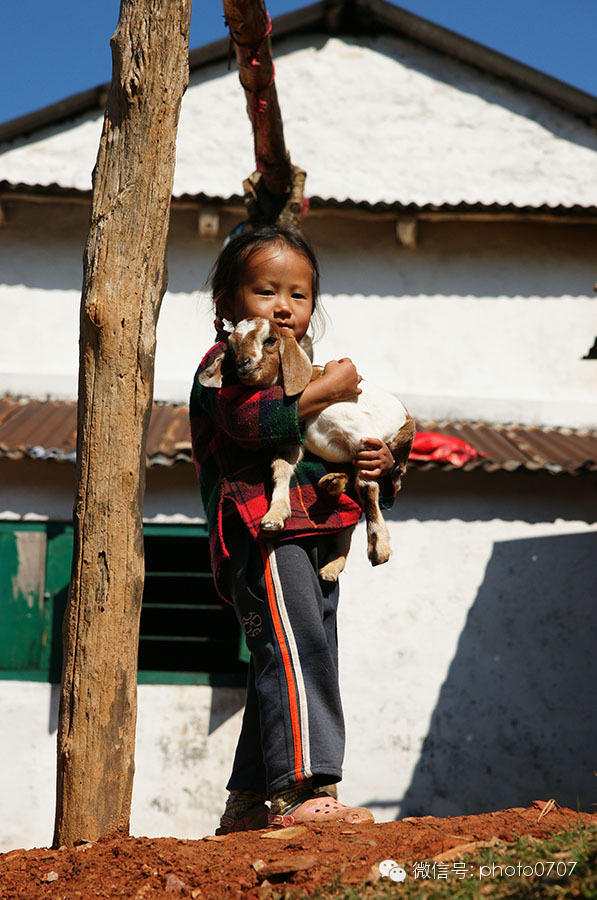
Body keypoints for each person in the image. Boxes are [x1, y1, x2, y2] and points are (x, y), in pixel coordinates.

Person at [190, 225, 396, 833]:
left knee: (296, 654)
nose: (283, 306)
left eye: (298, 295)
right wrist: (320, 390)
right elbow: (249, 422)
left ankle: (251, 796)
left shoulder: (305, 367)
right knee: (297, 651)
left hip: (317, 533)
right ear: (227, 304)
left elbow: (340, 443)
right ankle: (306, 787)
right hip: (264, 535)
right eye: (264, 291)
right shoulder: (225, 365)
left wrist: (380, 460)